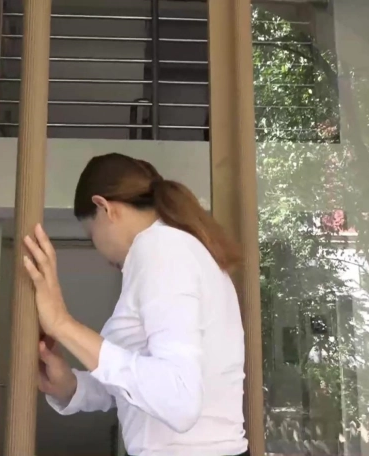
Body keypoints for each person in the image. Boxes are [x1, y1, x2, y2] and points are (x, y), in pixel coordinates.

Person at [22, 153, 249, 456]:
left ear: (104, 208)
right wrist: (71, 386)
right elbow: (145, 390)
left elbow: (178, 399)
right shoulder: (177, 250)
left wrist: (62, 323)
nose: (100, 252)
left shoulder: (160, 248)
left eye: (92, 235)